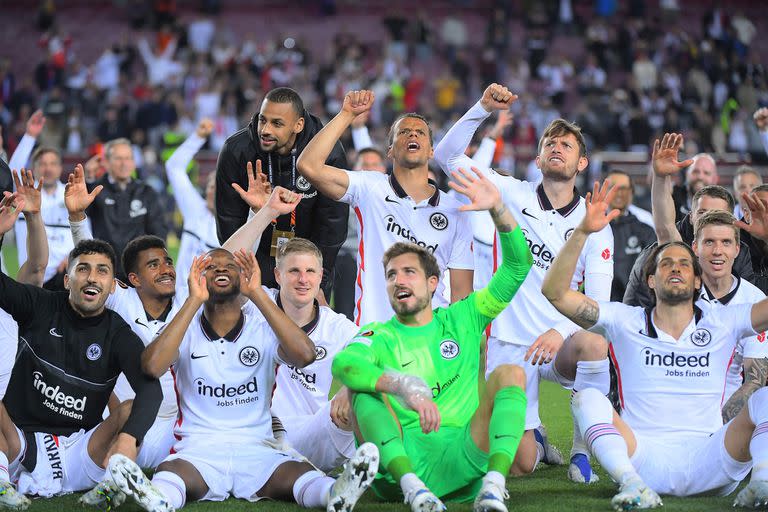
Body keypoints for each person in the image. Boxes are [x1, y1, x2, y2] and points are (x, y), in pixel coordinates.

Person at [541, 179, 768, 509]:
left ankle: (761, 484)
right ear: (650, 279)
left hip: (712, 459)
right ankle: (632, 486)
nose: (676, 268)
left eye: (684, 265)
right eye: (666, 263)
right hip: (643, 459)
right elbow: (556, 293)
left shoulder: (725, 321)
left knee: (764, 397)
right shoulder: (624, 320)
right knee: (588, 397)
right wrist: (582, 233)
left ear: (697, 281)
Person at [434, 83, 614, 483]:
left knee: (595, 344)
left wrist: (558, 330)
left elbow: (597, 305)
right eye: (551, 142)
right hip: (509, 342)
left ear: (582, 163)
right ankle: (538, 441)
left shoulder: (595, 222)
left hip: (559, 343)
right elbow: (445, 156)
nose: (557, 148)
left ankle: (582, 453)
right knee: (518, 464)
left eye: (567, 145)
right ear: (537, 157)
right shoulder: (509, 192)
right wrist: (481, 108)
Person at [108, 247, 379, 512]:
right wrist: (193, 300)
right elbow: (152, 367)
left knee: (298, 474)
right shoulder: (184, 328)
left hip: (258, 449)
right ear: (199, 278)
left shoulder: (263, 327)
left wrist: (256, 293)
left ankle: (336, 493)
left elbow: (306, 355)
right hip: (199, 449)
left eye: (230, 267)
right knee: (172, 472)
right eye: (211, 267)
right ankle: (158, 500)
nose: (221, 269)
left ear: (244, 278)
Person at [332, 167, 531, 512]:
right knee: (363, 392)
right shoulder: (378, 334)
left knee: (511, 373)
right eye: (391, 275)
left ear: (433, 283)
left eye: (409, 272)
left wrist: (499, 209)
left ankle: (494, 487)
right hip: (401, 462)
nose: (398, 281)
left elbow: (517, 267)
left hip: (462, 453)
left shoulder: (464, 316)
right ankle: (414, 490)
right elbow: (344, 363)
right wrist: (401, 384)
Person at [0, 192, 162, 509]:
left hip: (80, 450)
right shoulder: (39, 305)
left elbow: (150, 390)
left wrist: (129, 440)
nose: (92, 277)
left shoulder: (118, 332)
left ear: (113, 285)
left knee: (129, 410)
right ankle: (1, 483)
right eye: (83, 268)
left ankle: (116, 476)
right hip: (18, 442)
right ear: (67, 280)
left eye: (103, 270)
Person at [296, 90, 474, 326]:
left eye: (420, 132)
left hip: (430, 343)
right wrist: (346, 115)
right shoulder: (370, 187)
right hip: (374, 337)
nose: (413, 134)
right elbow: (308, 165)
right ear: (389, 151)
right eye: (404, 132)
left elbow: (462, 297)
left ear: (431, 151)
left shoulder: (455, 211)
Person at [223, 214, 359, 471]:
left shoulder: (336, 325)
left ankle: (380, 465)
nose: (303, 279)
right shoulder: (255, 300)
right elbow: (219, 265)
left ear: (321, 277)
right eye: (294, 271)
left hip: (310, 436)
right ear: (277, 274)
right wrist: (264, 212)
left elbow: (377, 354)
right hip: (254, 432)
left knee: (364, 394)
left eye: (310, 272)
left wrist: (351, 388)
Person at [214, 87, 349, 298]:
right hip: (255, 260)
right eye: (262, 120)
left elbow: (332, 225)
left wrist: (319, 281)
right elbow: (228, 223)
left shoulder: (327, 152)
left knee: (301, 329)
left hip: (307, 264)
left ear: (298, 125)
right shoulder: (236, 150)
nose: (265, 130)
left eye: (277, 123)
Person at [624, 134, 756, 307]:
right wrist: (660, 177)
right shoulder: (676, 245)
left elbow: (747, 302)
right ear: (691, 216)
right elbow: (664, 227)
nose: (708, 219)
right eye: (702, 212)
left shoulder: (743, 257)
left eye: (717, 214)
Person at [84, 137, 169, 278]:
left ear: (134, 163)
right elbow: (79, 219)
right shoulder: (95, 189)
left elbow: (158, 231)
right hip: (104, 271)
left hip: (138, 272)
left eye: (128, 158)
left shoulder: (146, 192)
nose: (124, 164)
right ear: (106, 162)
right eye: (118, 159)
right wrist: (88, 181)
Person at [164, 118, 218, 297]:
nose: (214, 193)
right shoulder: (196, 209)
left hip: (216, 307)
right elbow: (174, 167)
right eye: (211, 187)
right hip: (181, 301)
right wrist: (197, 138)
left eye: (220, 189)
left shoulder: (238, 224)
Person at [604, 170, 656, 301]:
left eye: (623, 188)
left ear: (631, 192)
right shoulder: (590, 225)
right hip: (597, 304)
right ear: (604, 192)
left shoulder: (645, 226)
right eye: (612, 188)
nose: (618, 193)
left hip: (634, 305)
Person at [670, 152, 718, 223]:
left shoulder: (723, 205)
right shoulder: (673, 195)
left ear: (715, 179)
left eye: (706, 173)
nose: (700, 177)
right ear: (687, 174)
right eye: (695, 171)